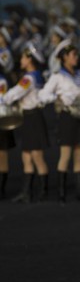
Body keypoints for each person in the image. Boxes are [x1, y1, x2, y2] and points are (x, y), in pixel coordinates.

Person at [38, 39, 80, 204]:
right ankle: (62, 192)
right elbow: (42, 95)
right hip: (67, 117)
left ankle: (79, 191)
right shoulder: (57, 77)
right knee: (65, 155)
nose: (76, 57)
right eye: (73, 55)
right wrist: (57, 98)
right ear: (64, 57)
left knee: (79, 153)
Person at [3, 42, 49, 203]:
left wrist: (3, 99)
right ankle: (26, 192)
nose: (21, 60)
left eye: (23, 57)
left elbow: (13, 95)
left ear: (29, 59)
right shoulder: (36, 75)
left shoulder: (29, 78)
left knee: (36, 156)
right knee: (26, 156)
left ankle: (43, 191)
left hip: (32, 118)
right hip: (30, 117)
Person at [0, 70, 16, 198]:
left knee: (2, 154)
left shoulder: (2, 80)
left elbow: (2, 100)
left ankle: (1, 188)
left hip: (2, 119)